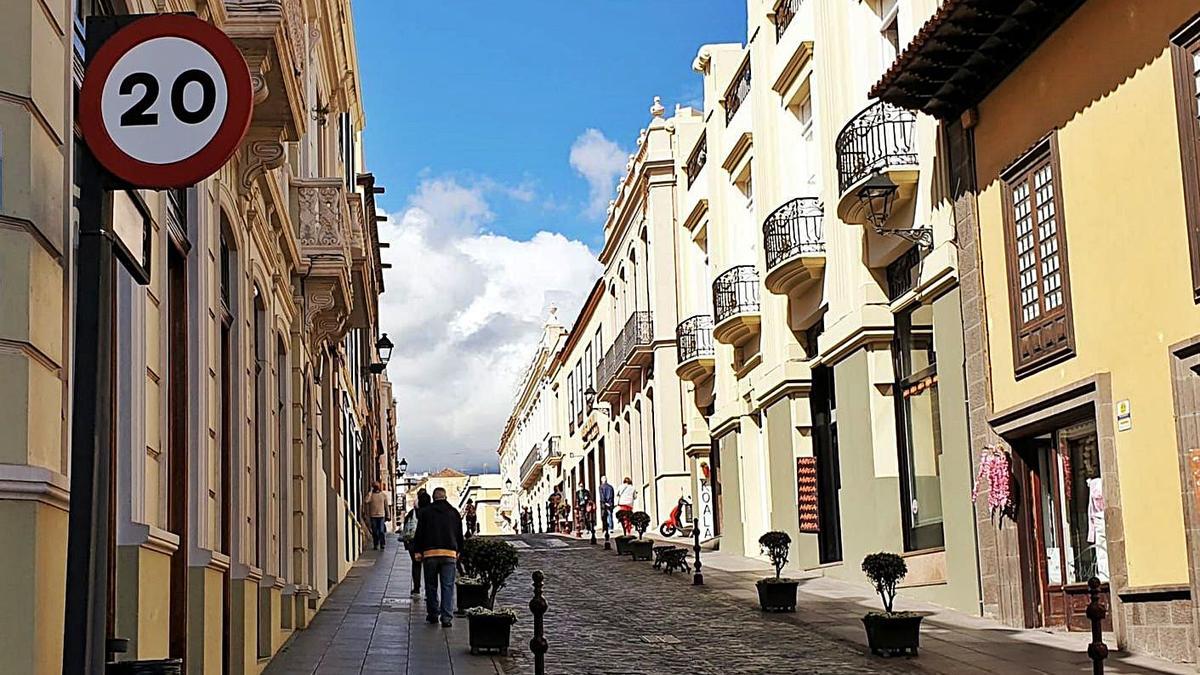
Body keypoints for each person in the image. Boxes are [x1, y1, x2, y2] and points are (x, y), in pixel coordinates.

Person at [413, 487, 465, 627]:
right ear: (445, 496)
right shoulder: (453, 513)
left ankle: (433, 614)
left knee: (431, 585)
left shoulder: (425, 513)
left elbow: (420, 533)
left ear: (434, 498)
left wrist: (417, 551)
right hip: (449, 554)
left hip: (430, 554)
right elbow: (459, 533)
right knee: (447, 586)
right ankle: (447, 618)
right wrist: (460, 550)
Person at [401, 489, 431, 596]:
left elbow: (405, 528)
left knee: (416, 565)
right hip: (428, 543)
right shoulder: (431, 513)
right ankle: (429, 590)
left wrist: (406, 543)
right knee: (429, 567)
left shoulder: (412, 513)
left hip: (413, 543)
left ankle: (417, 588)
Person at [364, 481, 388, 550]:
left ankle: (382, 543)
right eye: (374, 486)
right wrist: (370, 492)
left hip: (381, 515)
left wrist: (388, 515)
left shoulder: (383, 495)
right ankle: (376, 543)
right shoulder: (371, 495)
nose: (376, 487)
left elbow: (386, 506)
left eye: (377, 486)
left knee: (381, 531)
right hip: (373, 515)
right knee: (374, 531)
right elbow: (366, 501)